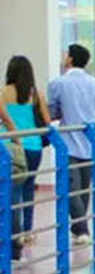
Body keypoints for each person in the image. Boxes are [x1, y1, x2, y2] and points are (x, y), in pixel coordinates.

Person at [47, 43, 95, 245]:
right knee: (83, 188)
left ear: (71, 59)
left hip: (68, 142)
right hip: (91, 142)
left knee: (71, 188)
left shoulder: (58, 83)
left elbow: (53, 111)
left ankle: (81, 229)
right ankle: (79, 228)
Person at [1, 55, 50, 258]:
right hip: (33, 147)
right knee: (29, 188)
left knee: (11, 192)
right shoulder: (36, 94)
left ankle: (14, 239)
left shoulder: (3, 92)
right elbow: (47, 121)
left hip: (10, 146)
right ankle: (27, 231)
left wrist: (15, 134)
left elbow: (5, 119)